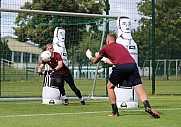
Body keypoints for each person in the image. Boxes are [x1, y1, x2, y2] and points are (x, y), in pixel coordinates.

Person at [86, 33, 160, 118]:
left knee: (110, 86)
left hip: (120, 67)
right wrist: (104, 59)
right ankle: (147, 106)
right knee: (138, 87)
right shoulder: (121, 46)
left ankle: (114, 111)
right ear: (115, 40)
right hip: (132, 65)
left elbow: (95, 61)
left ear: (107, 41)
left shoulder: (105, 48)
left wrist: (89, 56)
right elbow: (118, 60)